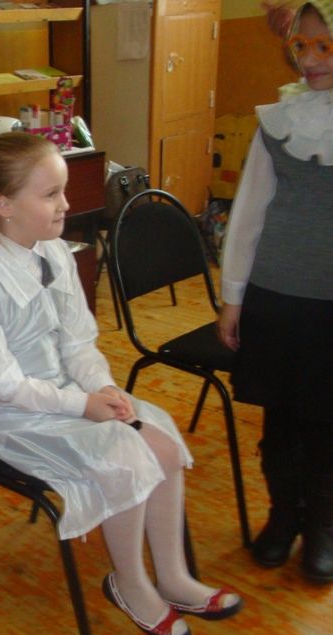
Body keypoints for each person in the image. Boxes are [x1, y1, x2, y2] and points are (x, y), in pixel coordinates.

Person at [0, 132, 242, 635]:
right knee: (124, 455)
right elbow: (5, 387)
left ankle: (172, 576)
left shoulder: (54, 253)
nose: (66, 204)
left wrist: (103, 388)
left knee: (163, 442)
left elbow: (78, 341)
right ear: (5, 206)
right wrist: (84, 405)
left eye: (63, 190)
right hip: (12, 415)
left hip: (66, 392)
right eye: (51, 194)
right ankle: (130, 583)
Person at [217, 1, 333, 583]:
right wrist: (233, 297)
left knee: (326, 423)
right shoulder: (277, 121)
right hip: (276, 296)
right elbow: (248, 214)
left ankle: (323, 527)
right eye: (300, 47)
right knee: (281, 419)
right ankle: (283, 516)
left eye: (324, 46)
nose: (310, 59)